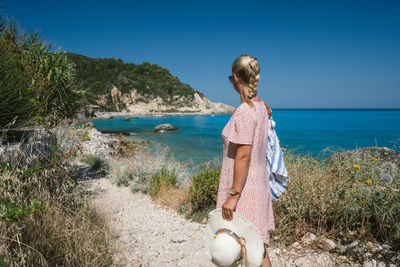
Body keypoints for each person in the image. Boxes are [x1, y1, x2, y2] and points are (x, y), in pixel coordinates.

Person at [216, 54, 274, 267]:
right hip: (258, 184)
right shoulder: (261, 108)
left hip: (244, 189)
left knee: (244, 249)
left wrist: (233, 195)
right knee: (257, 250)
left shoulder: (244, 112)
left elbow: (243, 155)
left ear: (235, 77)